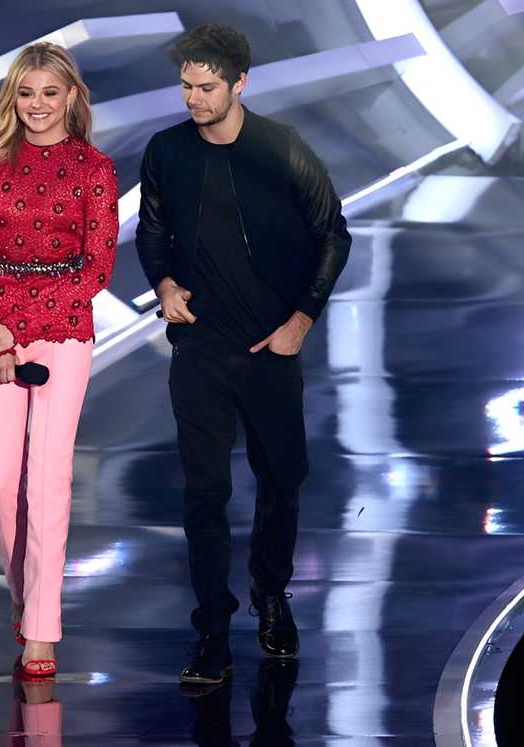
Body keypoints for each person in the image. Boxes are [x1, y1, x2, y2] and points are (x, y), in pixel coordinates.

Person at [135, 24, 351, 684]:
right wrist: (165, 285)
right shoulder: (167, 152)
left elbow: (334, 235)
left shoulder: (281, 149)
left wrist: (301, 320)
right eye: (186, 87)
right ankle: (212, 630)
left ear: (239, 84)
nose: (194, 98)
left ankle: (271, 591)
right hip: (200, 347)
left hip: (269, 348)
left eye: (207, 87)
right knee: (204, 490)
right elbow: (152, 232)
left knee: (282, 476)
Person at [0, 42, 118, 679]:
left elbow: (97, 269)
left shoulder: (95, 169)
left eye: (50, 92)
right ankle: (25, 589)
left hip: (66, 328)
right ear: (12, 99)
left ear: (71, 96)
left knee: (48, 479)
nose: (38, 105)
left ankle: (42, 627)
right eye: (26, 93)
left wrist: (24, 330)